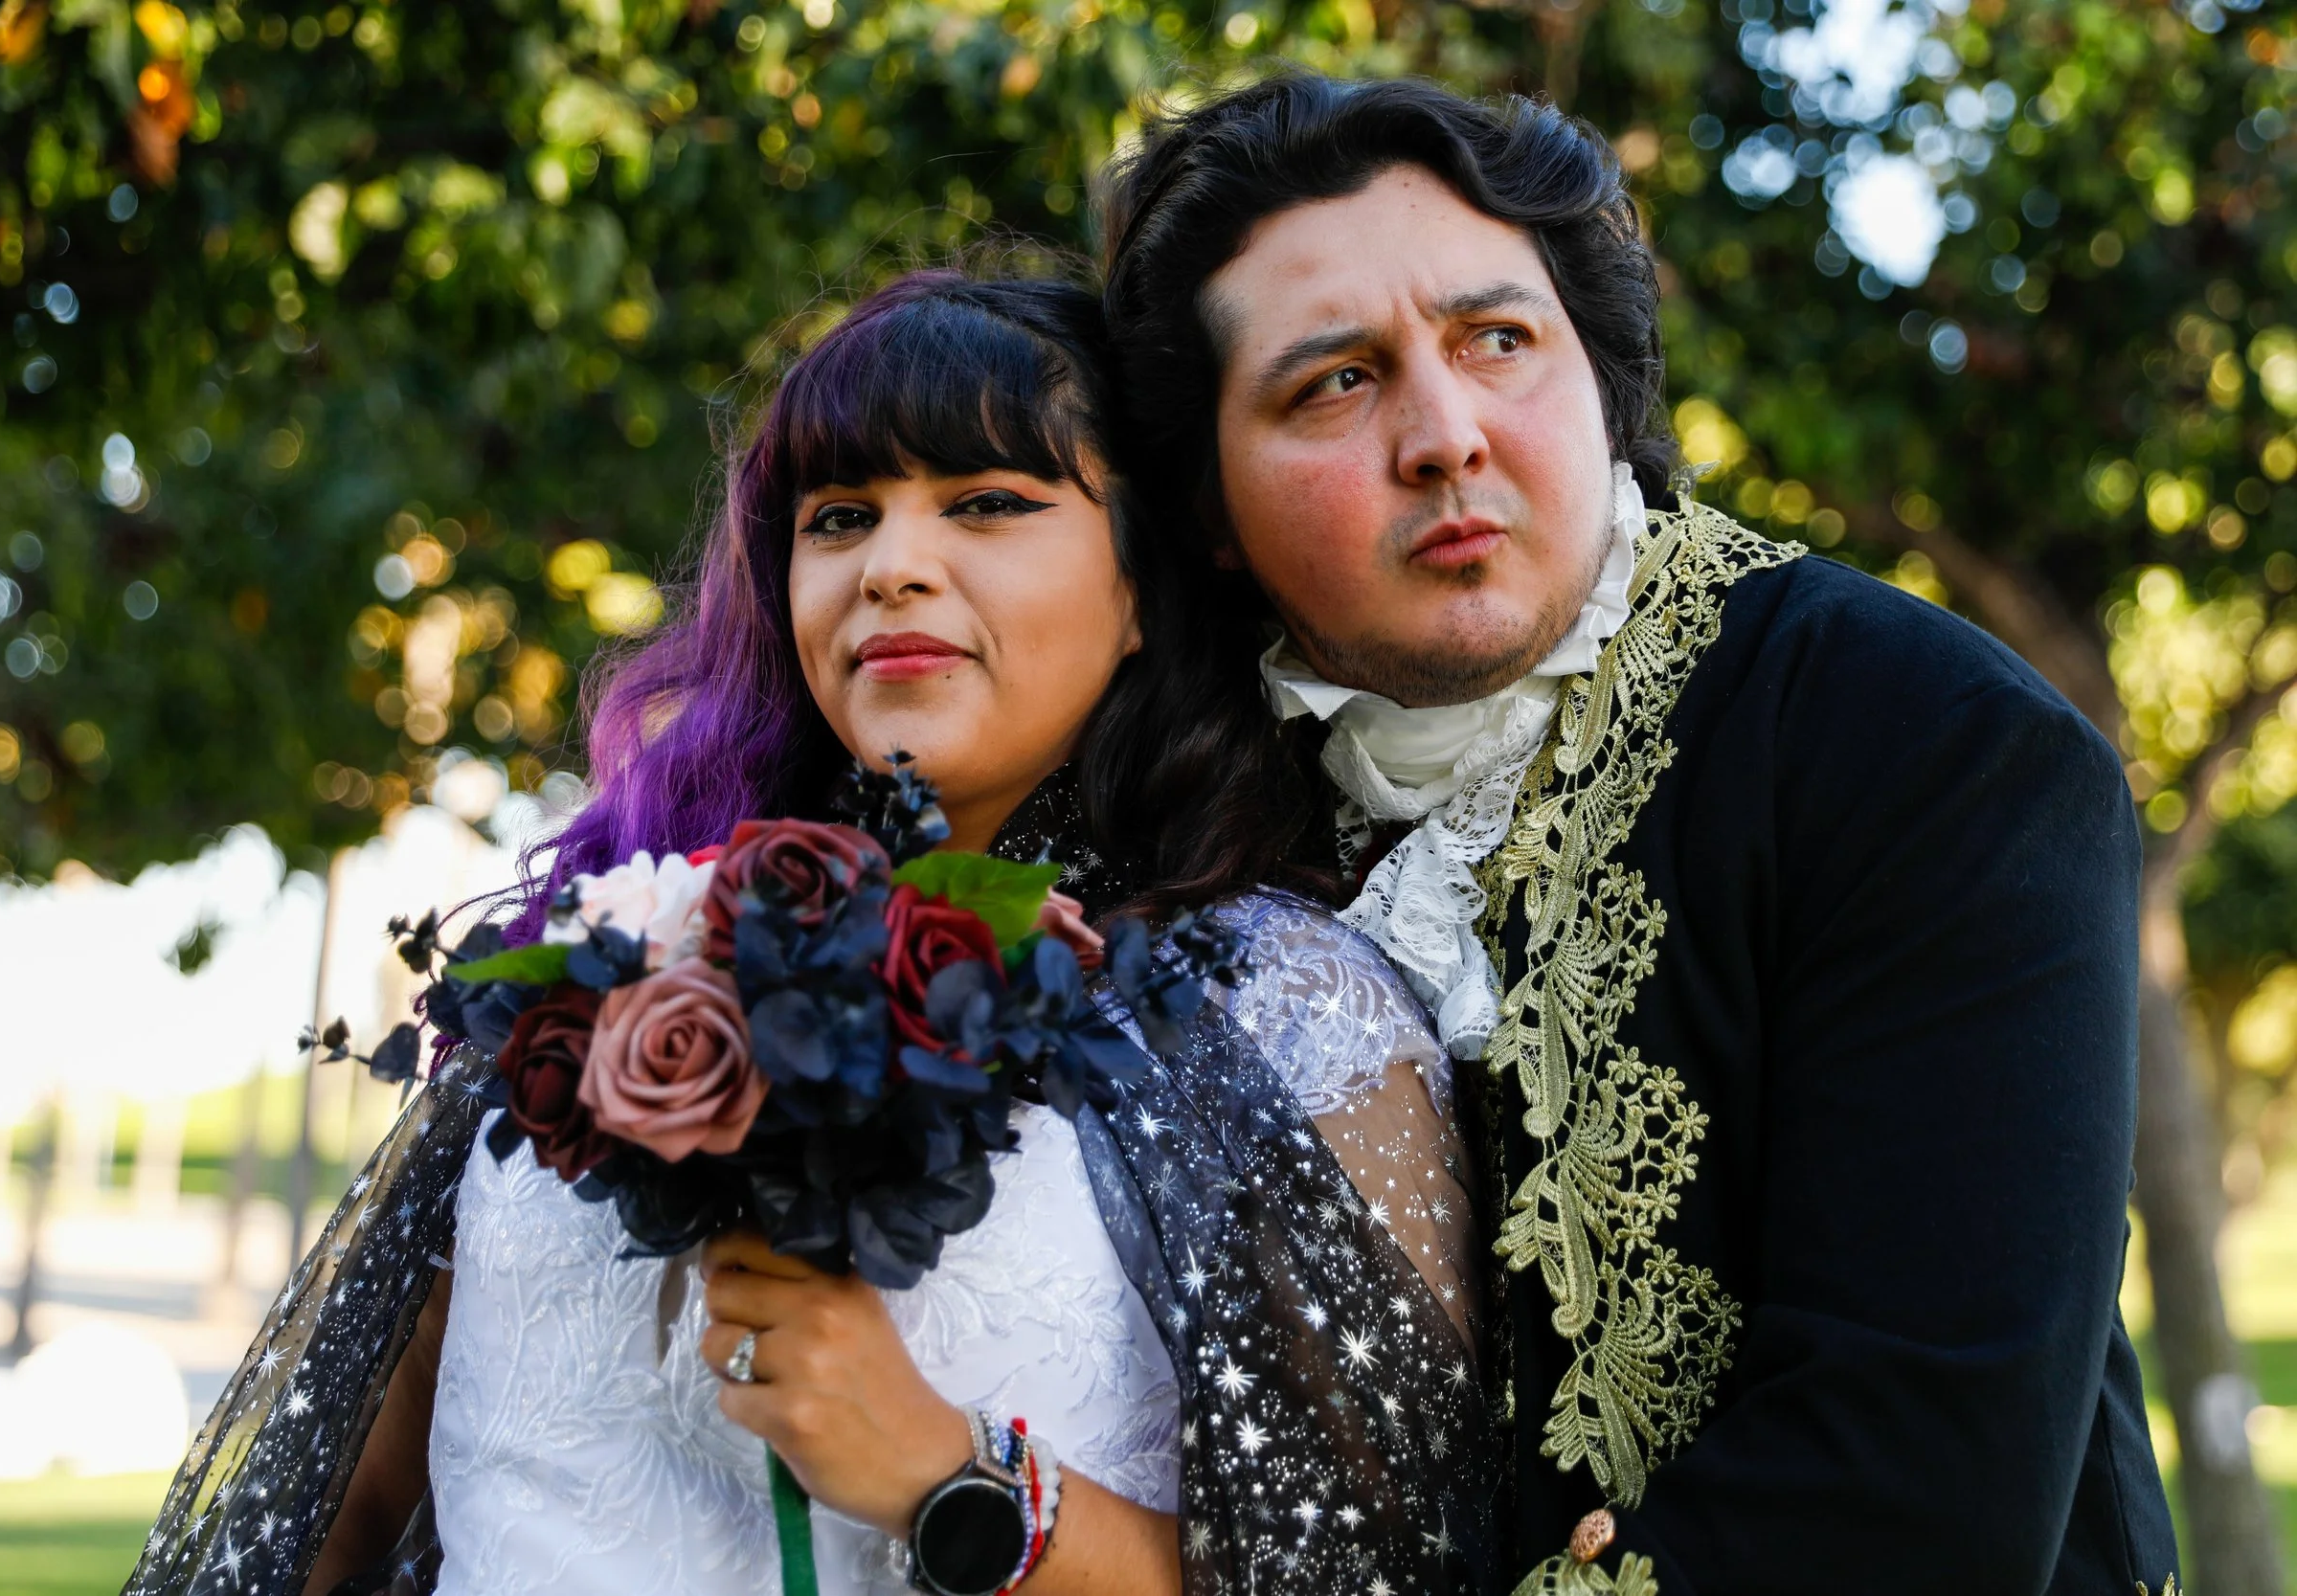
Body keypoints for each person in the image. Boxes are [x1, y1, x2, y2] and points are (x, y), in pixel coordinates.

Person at [122, 271, 1500, 1596]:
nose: (895, 565)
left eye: (989, 502)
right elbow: (343, 1513)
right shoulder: (612, 948)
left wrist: (960, 1481)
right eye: (840, 517)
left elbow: (1379, 1569)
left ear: (1145, 586)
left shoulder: (1285, 1009)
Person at [1098, 73, 2179, 1596]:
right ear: (1209, 504)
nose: (1444, 433)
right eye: (1332, 381)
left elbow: (1920, 1490)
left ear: (1597, 379)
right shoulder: (1199, 827)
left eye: (1498, 340)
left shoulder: (1925, 741)